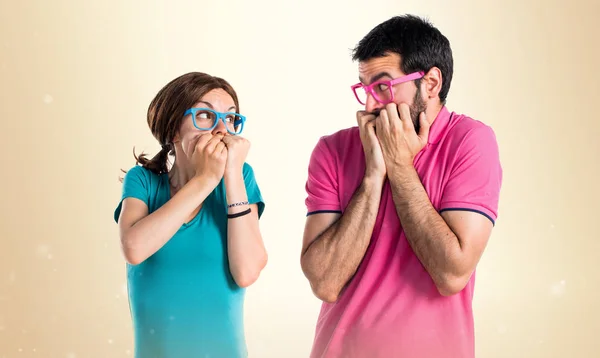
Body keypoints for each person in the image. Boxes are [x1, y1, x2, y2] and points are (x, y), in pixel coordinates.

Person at [300, 15, 503, 358]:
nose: (368, 105)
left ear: (431, 83)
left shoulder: (471, 142)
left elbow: (451, 273)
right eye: (364, 88)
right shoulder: (332, 150)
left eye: (382, 87)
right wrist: (373, 175)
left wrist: (399, 166)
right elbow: (325, 282)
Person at [114, 72, 267, 358]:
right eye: (206, 115)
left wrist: (231, 174)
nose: (222, 129)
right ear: (174, 130)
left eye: (231, 118)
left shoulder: (241, 178)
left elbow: (246, 272)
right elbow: (134, 248)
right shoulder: (143, 181)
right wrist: (205, 179)